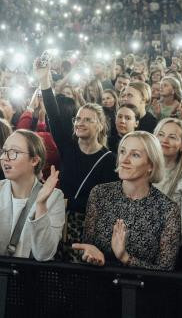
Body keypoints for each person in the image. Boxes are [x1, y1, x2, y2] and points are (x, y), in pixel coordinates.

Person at [36, 60, 118, 260]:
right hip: (57, 221)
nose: (80, 123)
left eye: (88, 120)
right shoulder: (68, 146)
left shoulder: (109, 159)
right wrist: (44, 78)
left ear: (100, 125)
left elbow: (103, 203)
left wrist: (69, 202)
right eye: (78, 119)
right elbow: (54, 115)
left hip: (85, 229)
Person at [73, 131, 181, 269]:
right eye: (123, 152)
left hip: (141, 287)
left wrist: (125, 257)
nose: (124, 160)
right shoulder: (99, 193)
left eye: (135, 155)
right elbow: (87, 248)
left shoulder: (168, 209)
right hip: (99, 281)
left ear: (151, 165)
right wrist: (90, 254)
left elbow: (165, 270)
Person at [0, 129, 64, 260]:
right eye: (4, 152)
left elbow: (44, 255)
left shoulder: (54, 197)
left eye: (14, 152)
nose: (4, 158)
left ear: (34, 160)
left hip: (32, 275)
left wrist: (41, 205)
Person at [154, 118, 182, 241]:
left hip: (166, 243)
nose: (164, 140)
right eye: (161, 134)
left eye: (172, 137)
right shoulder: (144, 165)